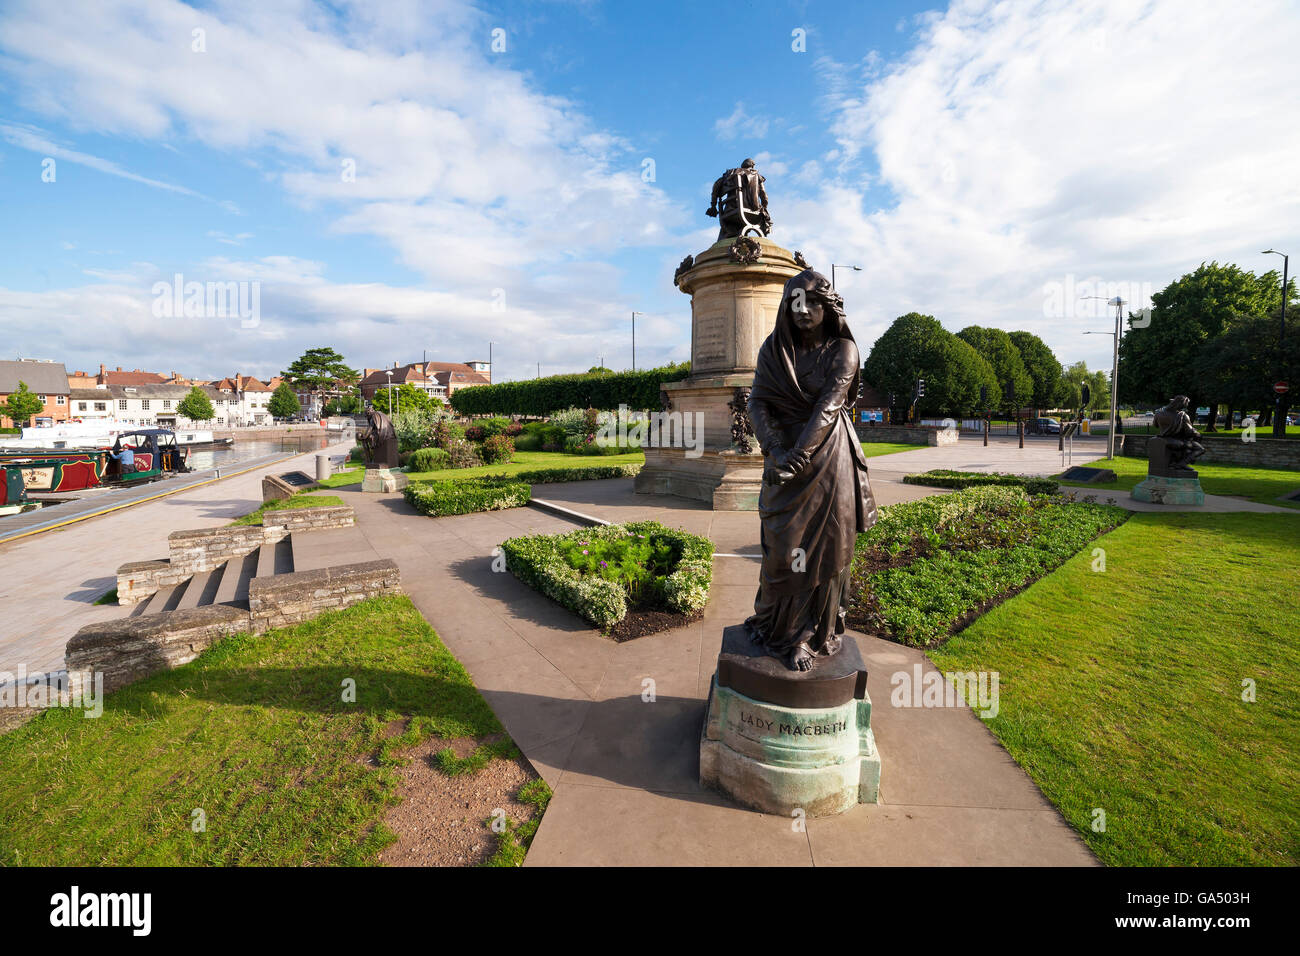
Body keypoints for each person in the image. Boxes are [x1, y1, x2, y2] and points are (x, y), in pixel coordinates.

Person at [744, 268, 878, 672]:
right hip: (783, 459)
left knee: (826, 550)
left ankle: (810, 636)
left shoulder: (843, 351)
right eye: (795, 301)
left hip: (829, 460)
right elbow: (757, 403)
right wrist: (775, 449)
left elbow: (827, 409)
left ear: (828, 306)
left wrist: (796, 458)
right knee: (783, 551)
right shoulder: (774, 350)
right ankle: (775, 627)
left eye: (813, 301)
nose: (803, 309)